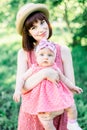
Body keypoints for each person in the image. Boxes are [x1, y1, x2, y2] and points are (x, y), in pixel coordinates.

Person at [14, 3, 83, 130]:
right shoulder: (24, 53)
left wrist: (56, 111)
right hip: (33, 113)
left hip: (58, 110)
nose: (40, 29)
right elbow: (23, 88)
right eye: (33, 27)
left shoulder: (63, 50)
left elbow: (69, 89)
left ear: (47, 22)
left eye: (42, 22)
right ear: (28, 33)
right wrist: (45, 73)